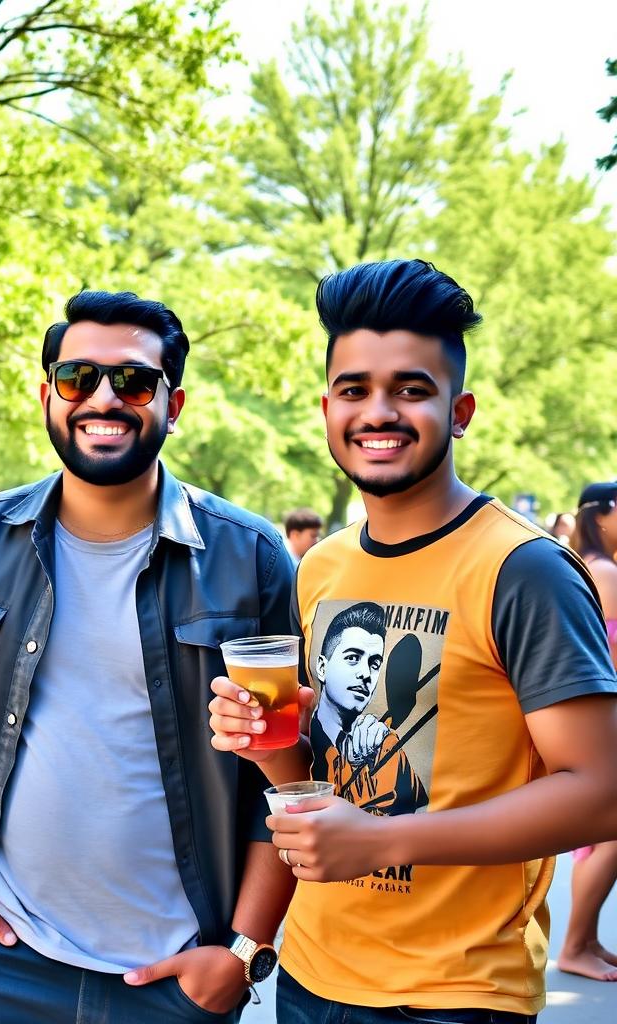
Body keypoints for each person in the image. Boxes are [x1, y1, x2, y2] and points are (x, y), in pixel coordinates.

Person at [209, 259, 617, 1022]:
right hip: (310, 976)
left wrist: (385, 843)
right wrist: (263, 741)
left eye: (412, 390)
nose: (379, 412)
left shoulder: (523, 569)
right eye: (356, 390)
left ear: (459, 411)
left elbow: (601, 792)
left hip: (455, 996)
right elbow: (316, 787)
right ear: (327, 409)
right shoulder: (321, 566)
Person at [0, 290, 295, 1023]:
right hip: (4, 958)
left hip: (180, 973)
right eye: (76, 378)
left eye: (131, 382)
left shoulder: (249, 557)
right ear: (46, 397)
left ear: (173, 402)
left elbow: (287, 769)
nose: (102, 398)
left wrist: (244, 951)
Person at [556, 481, 617, 981]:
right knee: (609, 834)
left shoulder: (584, 566)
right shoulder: (607, 573)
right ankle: (577, 944)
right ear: (601, 514)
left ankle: (585, 939)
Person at [310, 601, 427, 816]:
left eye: (374, 663)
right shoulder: (308, 743)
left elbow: (424, 810)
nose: (365, 673)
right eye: (352, 658)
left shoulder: (386, 746)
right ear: (322, 667)